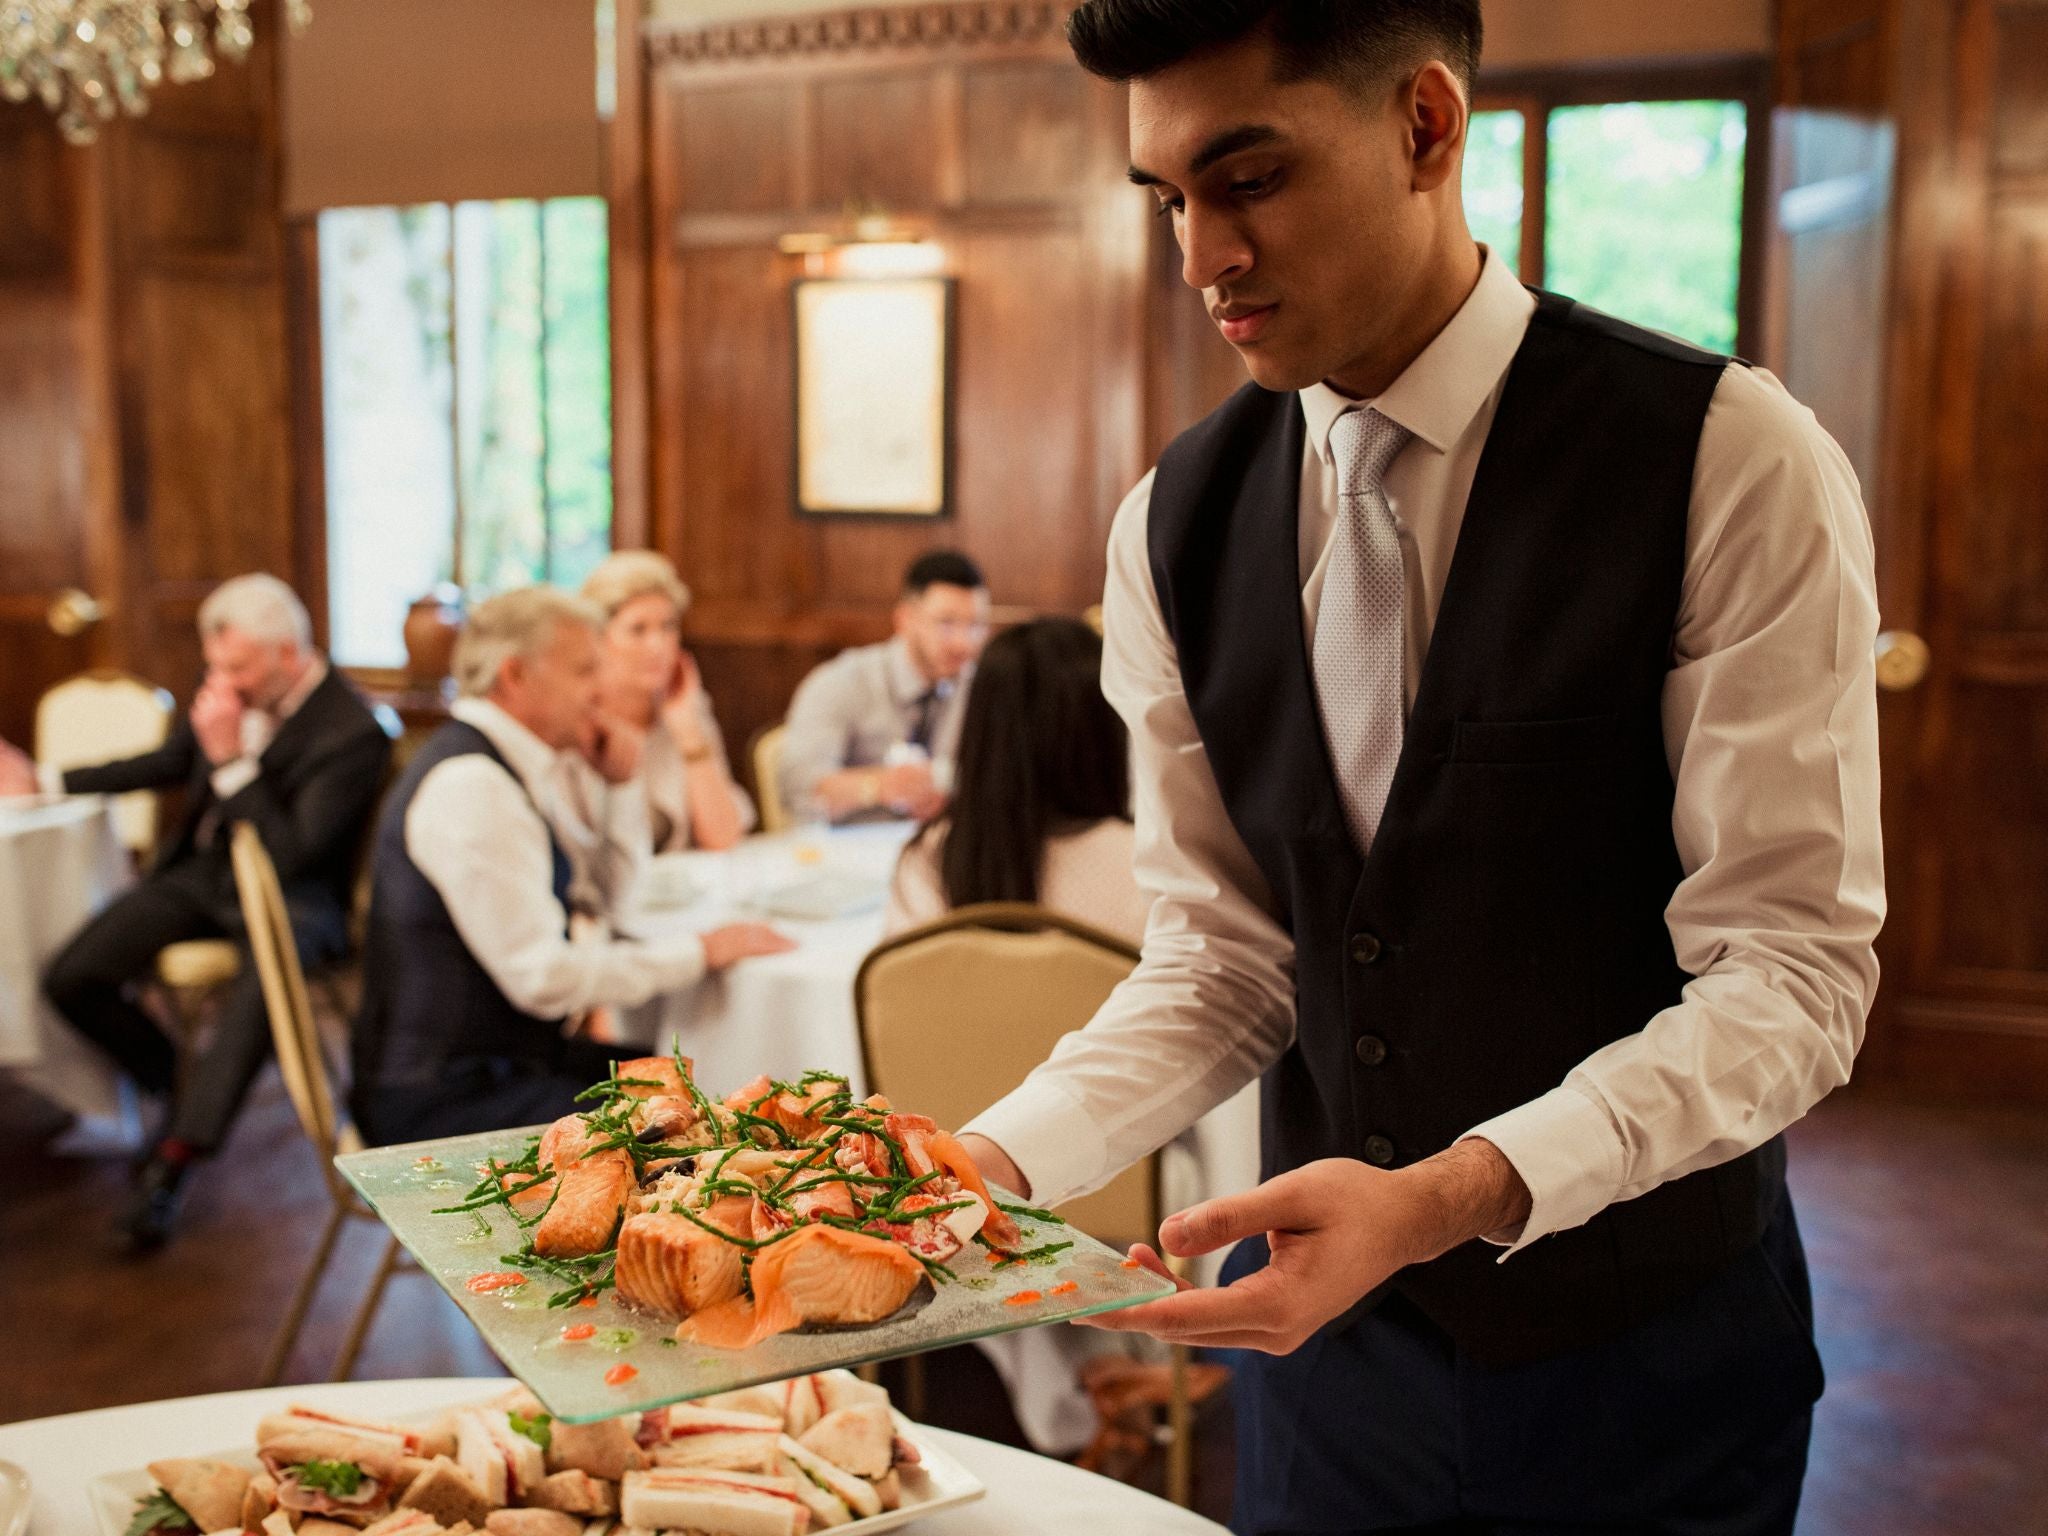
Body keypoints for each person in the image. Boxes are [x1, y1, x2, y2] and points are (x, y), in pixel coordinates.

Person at [956, 4, 1884, 1533]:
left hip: (1650, 1370)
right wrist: (989, 1162)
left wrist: (1455, 1194)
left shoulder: (1728, 460)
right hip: (1328, 1379)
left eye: (1247, 179)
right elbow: (1227, 963)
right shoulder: (1169, 526)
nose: (1200, 260)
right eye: (1168, 199)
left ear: (1427, 128)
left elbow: (1792, 976)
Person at [0, 573, 392, 1249]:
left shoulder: (354, 729)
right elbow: (167, 762)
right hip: (203, 876)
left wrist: (232, 763)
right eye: (214, 664)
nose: (221, 680)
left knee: (261, 991)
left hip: (296, 898)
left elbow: (292, 854)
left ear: (288, 654)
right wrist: (46, 779)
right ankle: (169, 1081)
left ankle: (175, 1162)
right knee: (73, 974)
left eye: (237, 666)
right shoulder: (231, 686)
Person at [348, 588, 793, 1146]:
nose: (601, 689)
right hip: (444, 1100)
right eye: (586, 670)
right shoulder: (473, 785)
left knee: (707, 1088)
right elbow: (544, 979)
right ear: (515, 676)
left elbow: (613, 902)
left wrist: (621, 784)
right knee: (709, 1126)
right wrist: (701, 951)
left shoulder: (515, 763)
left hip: (506, 1065)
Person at [883, 617, 1145, 945]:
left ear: (982, 729)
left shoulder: (931, 859)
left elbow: (900, 987)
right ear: (1105, 732)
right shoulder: (1149, 870)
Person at [778, 550, 989, 823]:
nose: (964, 643)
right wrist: (877, 787)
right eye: (946, 623)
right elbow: (796, 786)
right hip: (851, 852)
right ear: (904, 620)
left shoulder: (983, 688)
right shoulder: (842, 681)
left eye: (976, 625)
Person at [570, 550, 755, 859]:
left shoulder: (685, 706)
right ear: (598, 638)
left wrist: (688, 732)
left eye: (668, 627)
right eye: (638, 630)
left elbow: (723, 838)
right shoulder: (576, 719)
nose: (658, 645)